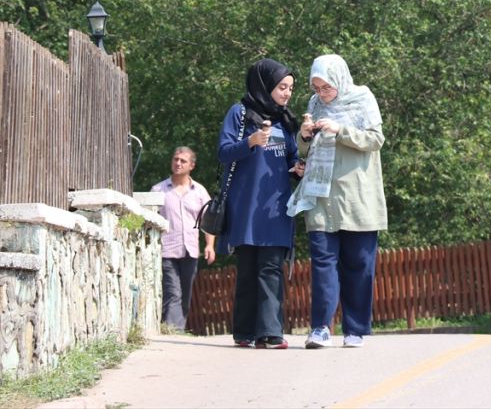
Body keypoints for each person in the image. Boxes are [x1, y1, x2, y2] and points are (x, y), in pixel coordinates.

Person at [287, 54, 386, 350]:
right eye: (316, 88)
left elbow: (375, 139)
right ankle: (320, 328)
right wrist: (303, 136)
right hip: (321, 194)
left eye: (326, 88)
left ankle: (355, 329)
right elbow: (305, 148)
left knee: (359, 264)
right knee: (322, 262)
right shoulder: (315, 105)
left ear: (339, 80)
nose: (321, 94)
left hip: (357, 195)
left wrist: (340, 130)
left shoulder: (363, 98)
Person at [218, 58, 303, 349]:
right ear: (265, 86)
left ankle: (271, 333)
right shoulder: (239, 113)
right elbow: (224, 152)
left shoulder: (285, 120)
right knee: (247, 270)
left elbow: (291, 157)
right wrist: (250, 142)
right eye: (282, 87)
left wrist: (297, 168)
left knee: (271, 269)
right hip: (246, 207)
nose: (287, 93)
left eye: (290, 88)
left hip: (276, 207)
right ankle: (244, 332)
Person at [150, 147, 216, 330]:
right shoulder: (158, 190)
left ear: (192, 166)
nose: (178, 163)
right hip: (166, 251)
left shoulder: (200, 192)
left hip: (191, 250)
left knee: (185, 294)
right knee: (173, 292)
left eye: (183, 161)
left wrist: (210, 245)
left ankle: (175, 327)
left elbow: (208, 221)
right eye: (175, 159)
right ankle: (173, 330)